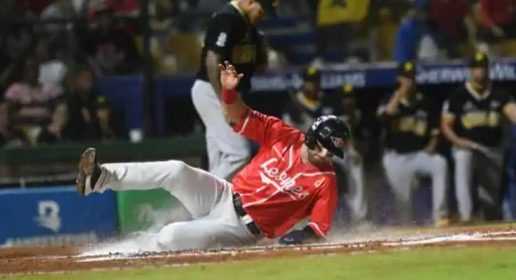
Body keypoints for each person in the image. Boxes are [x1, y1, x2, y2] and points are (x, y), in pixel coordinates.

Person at [76, 62, 349, 250]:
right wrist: (229, 91)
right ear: (313, 136)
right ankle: (99, 178)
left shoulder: (325, 181)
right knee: (176, 170)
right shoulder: (283, 134)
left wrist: (300, 238)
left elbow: (319, 229)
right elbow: (236, 117)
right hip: (224, 194)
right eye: (323, 145)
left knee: (171, 236)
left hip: (241, 230)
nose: (326, 154)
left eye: (332, 151)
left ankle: (133, 250)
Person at [192, 0, 276, 180]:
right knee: (239, 153)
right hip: (213, 91)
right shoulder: (228, 18)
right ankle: (205, 196)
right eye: (262, 11)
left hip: (229, 94)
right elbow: (213, 61)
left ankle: (209, 209)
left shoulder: (249, 26)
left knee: (220, 157)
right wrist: (225, 99)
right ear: (251, 1)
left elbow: (260, 68)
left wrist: (261, 49)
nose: (262, 17)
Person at [441, 53, 516, 223]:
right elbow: (446, 124)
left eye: (484, 67)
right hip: (469, 146)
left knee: (491, 197)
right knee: (463, 157)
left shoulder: (500, 94)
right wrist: (458, 141)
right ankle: (465, 215)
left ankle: (489, 219)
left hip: (493, 149)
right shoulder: (459, 95)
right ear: (471, 70)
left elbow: (515, 113)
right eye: (477, 67)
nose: (481, 71)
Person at [282, 67, 369, 226]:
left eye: (315, 81)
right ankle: (298, 221)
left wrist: (348, 147)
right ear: (303, 83)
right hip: (305, 150)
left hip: (329, 147)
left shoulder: (329, 101)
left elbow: (343, 126)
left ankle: (360, 218)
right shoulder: (293, 107)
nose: (313, 85)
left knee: (355, 161)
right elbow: (288, 135)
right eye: (309, 82)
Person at [378, 61, 449, 227]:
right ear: (398, 79)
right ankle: (406, 228)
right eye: (405, 78)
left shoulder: (425, 102)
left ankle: (441, 216)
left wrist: (432, 145)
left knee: (440, 163)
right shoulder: (388, 99)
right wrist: (399, 94)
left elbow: (434, 131)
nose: (408, 81)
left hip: (419, 154)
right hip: (396, 157)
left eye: (411, 77)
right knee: (404, 207)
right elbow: (384, 119)